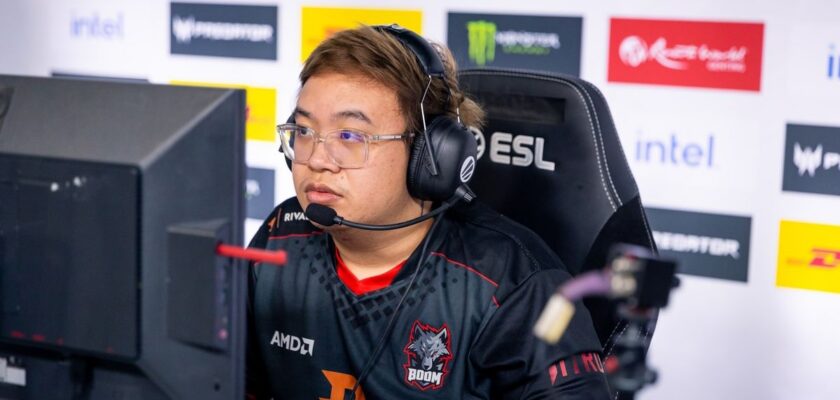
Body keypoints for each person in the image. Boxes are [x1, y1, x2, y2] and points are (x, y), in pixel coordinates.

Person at [246, 25, 611, 399]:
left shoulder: (515, 286)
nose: (316, 160)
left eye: (350, 136)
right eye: (304, 132)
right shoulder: (281, 236)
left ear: (431, 155)